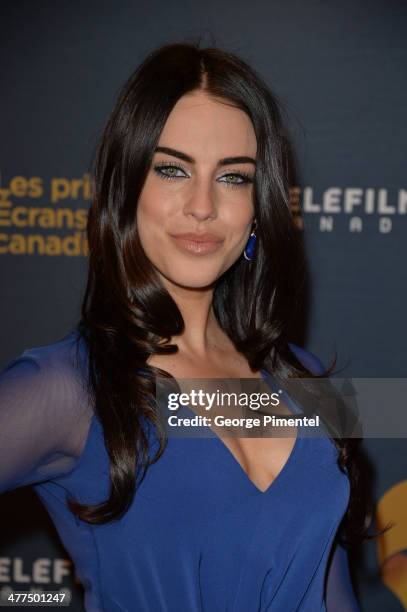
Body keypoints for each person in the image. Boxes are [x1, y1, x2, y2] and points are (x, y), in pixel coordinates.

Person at [0, 42, 364, 611]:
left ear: (257, 208)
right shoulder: (70, 387)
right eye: (172, 169)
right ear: (126, 190)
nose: (202, 206)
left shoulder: (303, 378)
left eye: (233, 178)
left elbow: (332, 594)